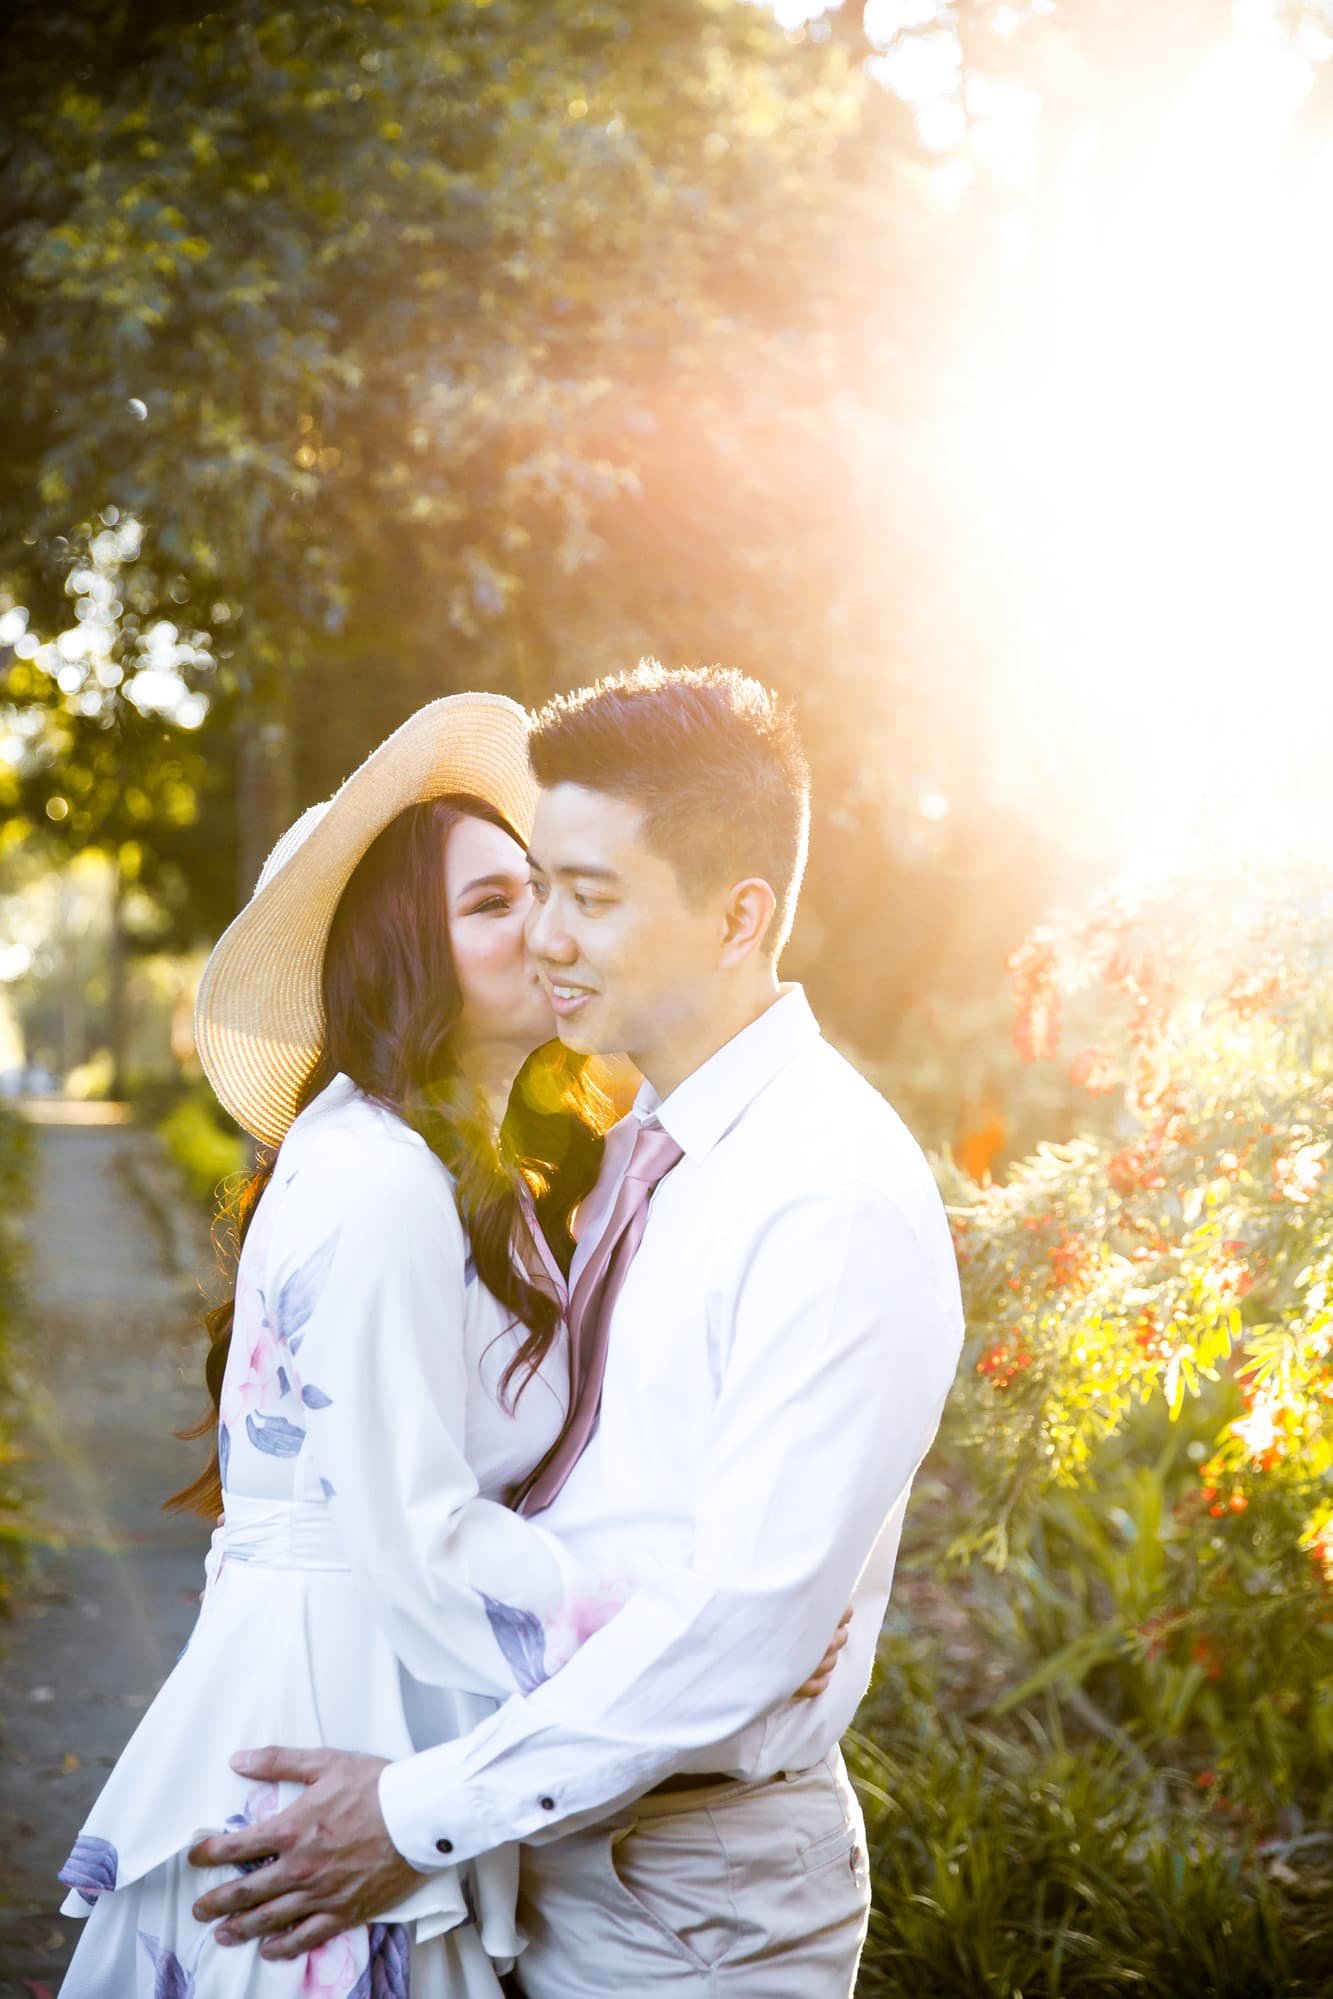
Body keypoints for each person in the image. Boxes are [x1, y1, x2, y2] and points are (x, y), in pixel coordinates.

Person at [190, 663, 966, 1998]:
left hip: (686, 1898)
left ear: (739, 918)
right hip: (531, 1836)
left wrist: (410, 1812)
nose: (544, 935)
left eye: (588, 900)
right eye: (534, 888)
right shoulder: (627, 1159)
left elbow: (737, 1627)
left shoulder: (826, 1194)